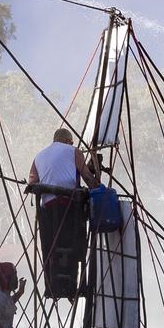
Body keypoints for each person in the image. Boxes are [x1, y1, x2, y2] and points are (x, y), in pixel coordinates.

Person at [28, 128, 100, 298]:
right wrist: (98, 189)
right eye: (71, 141)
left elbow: (32, 181)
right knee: (76, 246)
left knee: (51, 248)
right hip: (70, 208)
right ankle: (76, 285)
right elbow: (87, 177)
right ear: (67, 140)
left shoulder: (39, 155)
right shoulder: (74, 151)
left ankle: (52, 285)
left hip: (48, 209)